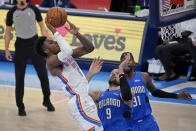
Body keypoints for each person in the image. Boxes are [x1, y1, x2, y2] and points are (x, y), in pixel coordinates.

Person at [35, 19, 103, 130]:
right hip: (78, 101)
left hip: (83, 98)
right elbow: (67, 51)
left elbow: (89, 48)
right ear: (47, 51)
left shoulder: (65, 56)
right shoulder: (51, 62)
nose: (55, 42)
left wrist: (77, 33)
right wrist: (54, 30)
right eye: (51, 42)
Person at [4, 0, 54, 116]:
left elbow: (42, 27)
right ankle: (20, 106)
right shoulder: (11, 12)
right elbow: (7, 32)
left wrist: (45, 43)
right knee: (19, 78)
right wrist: (6, 50)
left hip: (35, 45)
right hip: (20, 46)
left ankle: (46, 100)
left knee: (43, 74)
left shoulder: (34, 9)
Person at [120, 52, 192, 131]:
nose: (126, 62)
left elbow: (155, 92)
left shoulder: (144, 76)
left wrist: (176, 96)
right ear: (120, 64)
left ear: (134, 63)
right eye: (124, 60)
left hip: (147, 121)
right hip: (129, 123)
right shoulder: (118, 81)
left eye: (129, 60)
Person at [86, 55, 134, 131]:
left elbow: (127, 95)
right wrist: (90, 74)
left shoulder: (126, 92)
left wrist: (121, 68)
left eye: (117, 73)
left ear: (122, 77)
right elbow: (79, 92)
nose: (114, 74)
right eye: (112, 73)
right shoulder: (98, 95)